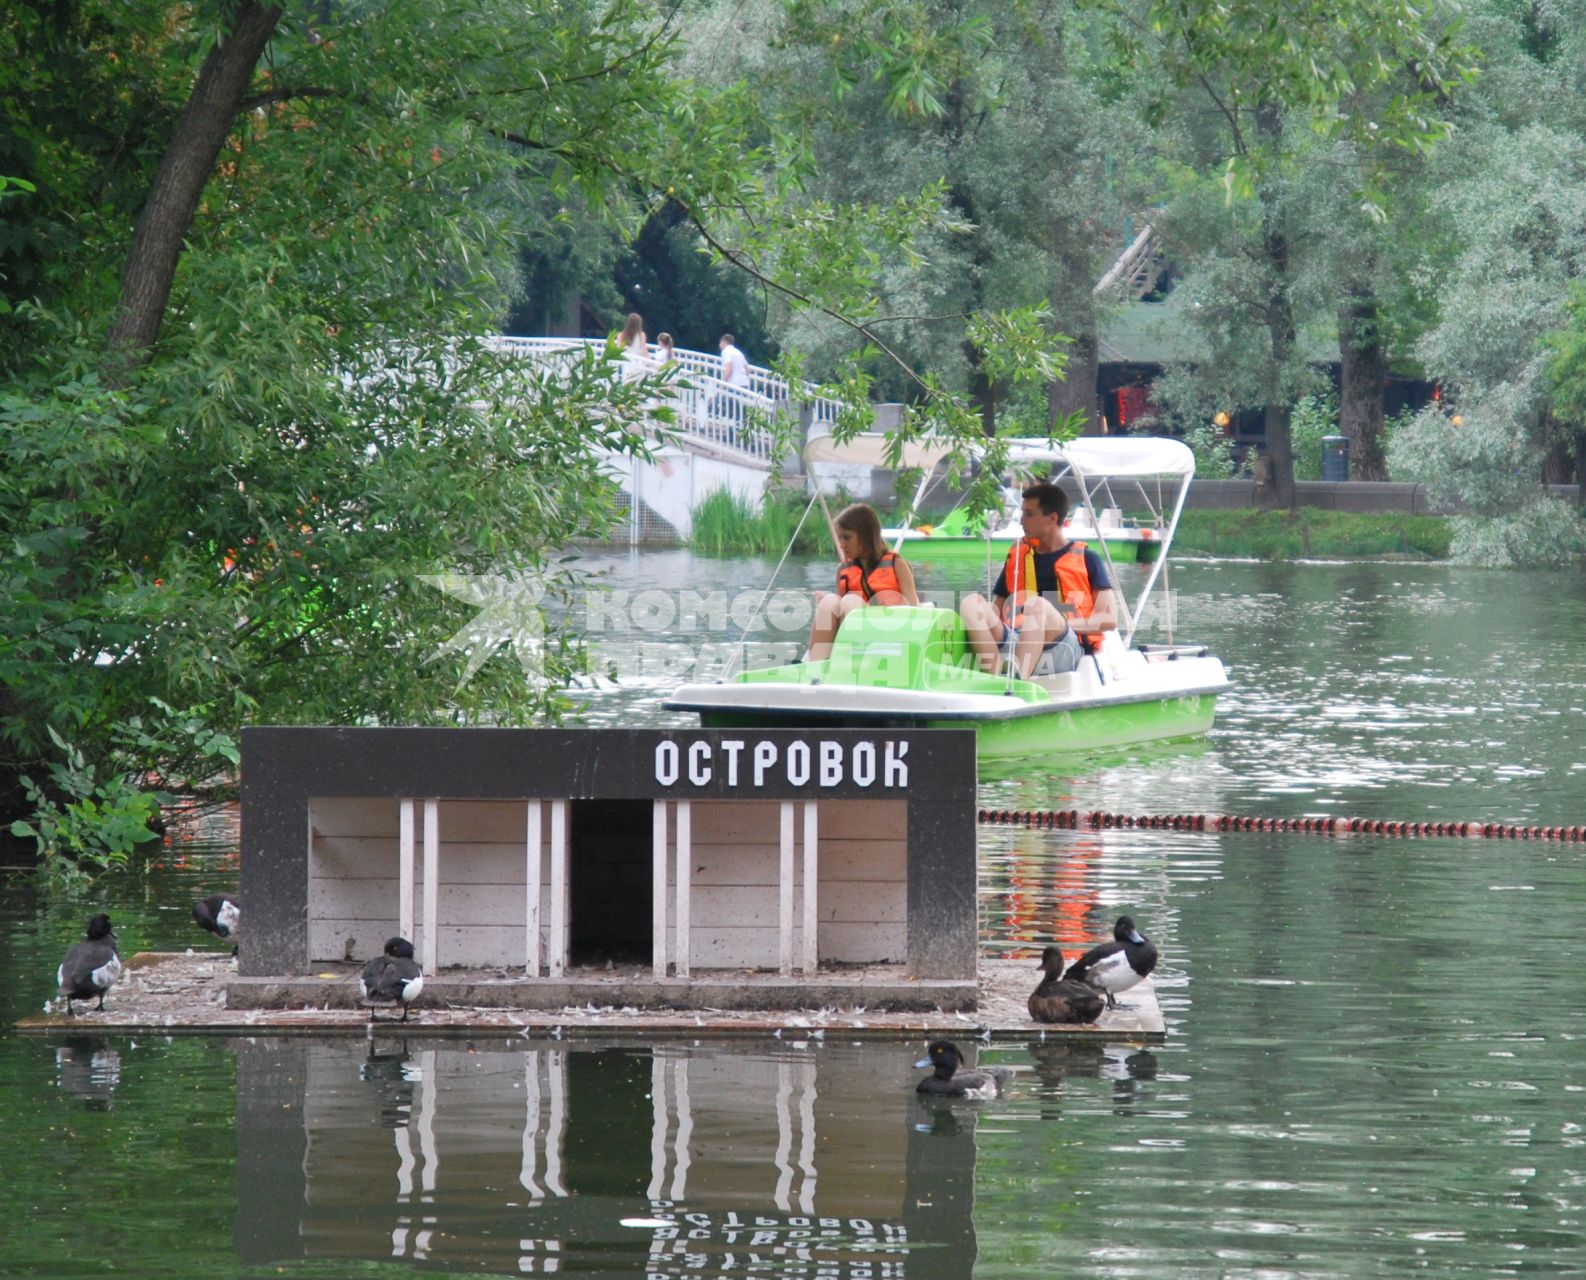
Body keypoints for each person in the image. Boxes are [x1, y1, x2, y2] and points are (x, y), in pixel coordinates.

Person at [958, 482, 1117, 678]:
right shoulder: (1018, 558)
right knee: (971, 603)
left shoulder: (1087, 559)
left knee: (1037, 606)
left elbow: (1109, 620)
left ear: (1052, 518)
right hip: (1017, 640)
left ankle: (1016, 683)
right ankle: (996, 678)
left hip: (1064, 647)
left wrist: (1052, 624)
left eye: (1029, 514)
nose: (1022, 521)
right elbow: (996, 610)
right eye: (1022, 513)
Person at [806, 503, 918, 661]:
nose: (841, 544)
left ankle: (850, 665)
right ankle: (815, 669)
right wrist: (825, 601)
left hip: (889, 635)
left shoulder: (897, 565)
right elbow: (838, 609)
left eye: (847, 537)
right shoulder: (843, 570)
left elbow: (914, 611)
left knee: (851, 601)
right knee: (830, 601)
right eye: (839, 538)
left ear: (865, 535)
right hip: (852, 633)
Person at [617, 312, 647, 378]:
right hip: (638, 362)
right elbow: (643, 351)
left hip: (625, 363)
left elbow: (618, 351)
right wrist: (650, 362)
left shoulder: (620, 335)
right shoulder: (641, 335)